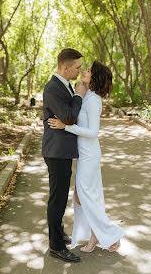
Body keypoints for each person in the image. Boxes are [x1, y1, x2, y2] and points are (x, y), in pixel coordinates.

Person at [48, 61, 124, 253]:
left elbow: (93, 132)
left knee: (85, 198)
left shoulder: (94, 100)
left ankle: (107, 233)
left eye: (89, 71)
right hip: (85, 155)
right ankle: (96, 236)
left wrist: (66, 127)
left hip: (90, 155)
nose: (84, 71)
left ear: (95, 77)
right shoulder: (88, 96)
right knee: (83, 198)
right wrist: (77, 93)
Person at [42, 48, 87, 262]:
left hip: (63, 150)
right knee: (57, 199)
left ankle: (58, 234)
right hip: (56, 151)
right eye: (77, 67)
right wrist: (78, 95)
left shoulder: (64, 85)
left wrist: (74, 96)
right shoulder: (52, 88)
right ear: (65, 67)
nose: (79, 71)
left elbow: (69, 117)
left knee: (60, 198)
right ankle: (56, 247)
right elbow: (69, 116)